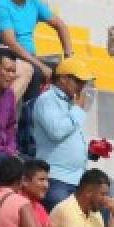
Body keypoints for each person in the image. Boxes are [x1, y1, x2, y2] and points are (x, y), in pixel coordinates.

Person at [0, 0, 75, 99]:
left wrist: (69, 57)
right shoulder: (1, 6)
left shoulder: (33, 1)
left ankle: (64, 117)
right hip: (10, 57)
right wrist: (39, 65)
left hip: (30, 57)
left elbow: (60, 25)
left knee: (72, 76)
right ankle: (26, 119)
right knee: (36, 72)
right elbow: (11, 44)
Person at [33, 57, 94, 208]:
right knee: (63, 211)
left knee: (102, 204)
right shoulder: (47, 99)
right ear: (63, 79)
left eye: (84, 82)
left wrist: (89, 151)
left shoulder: (71, 102)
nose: (82, 86)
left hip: (77, 178)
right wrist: (78, 110)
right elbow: (57, 131)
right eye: (78, 81)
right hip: (56, 177)